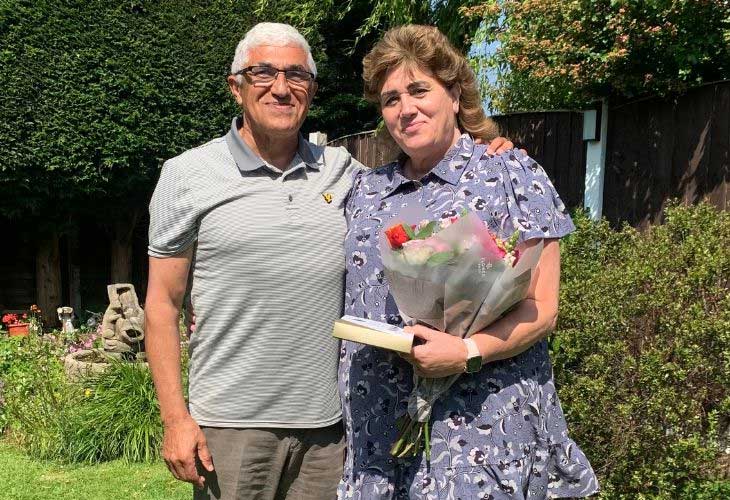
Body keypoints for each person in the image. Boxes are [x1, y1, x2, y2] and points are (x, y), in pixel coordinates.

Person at [145, 22, 516, 500]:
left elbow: (422, 182)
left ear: (311, 91)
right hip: (231, 427)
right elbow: (162, 304)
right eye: (263, 73)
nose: (281, 88)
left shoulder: (345, 173)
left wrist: (486, 153)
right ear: (236, 87)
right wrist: (176, 419)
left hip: (332, 429)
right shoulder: (187, 175)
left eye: (296, 75)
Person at [337, 25, 599, 499]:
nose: (405, 108)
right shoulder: (365, 191)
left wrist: (466, 352)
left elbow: (542, 307)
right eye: (390, 99)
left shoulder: (509, 173)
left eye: (419, 90)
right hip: (380, 433)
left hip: (480, 428)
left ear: (454, 95)